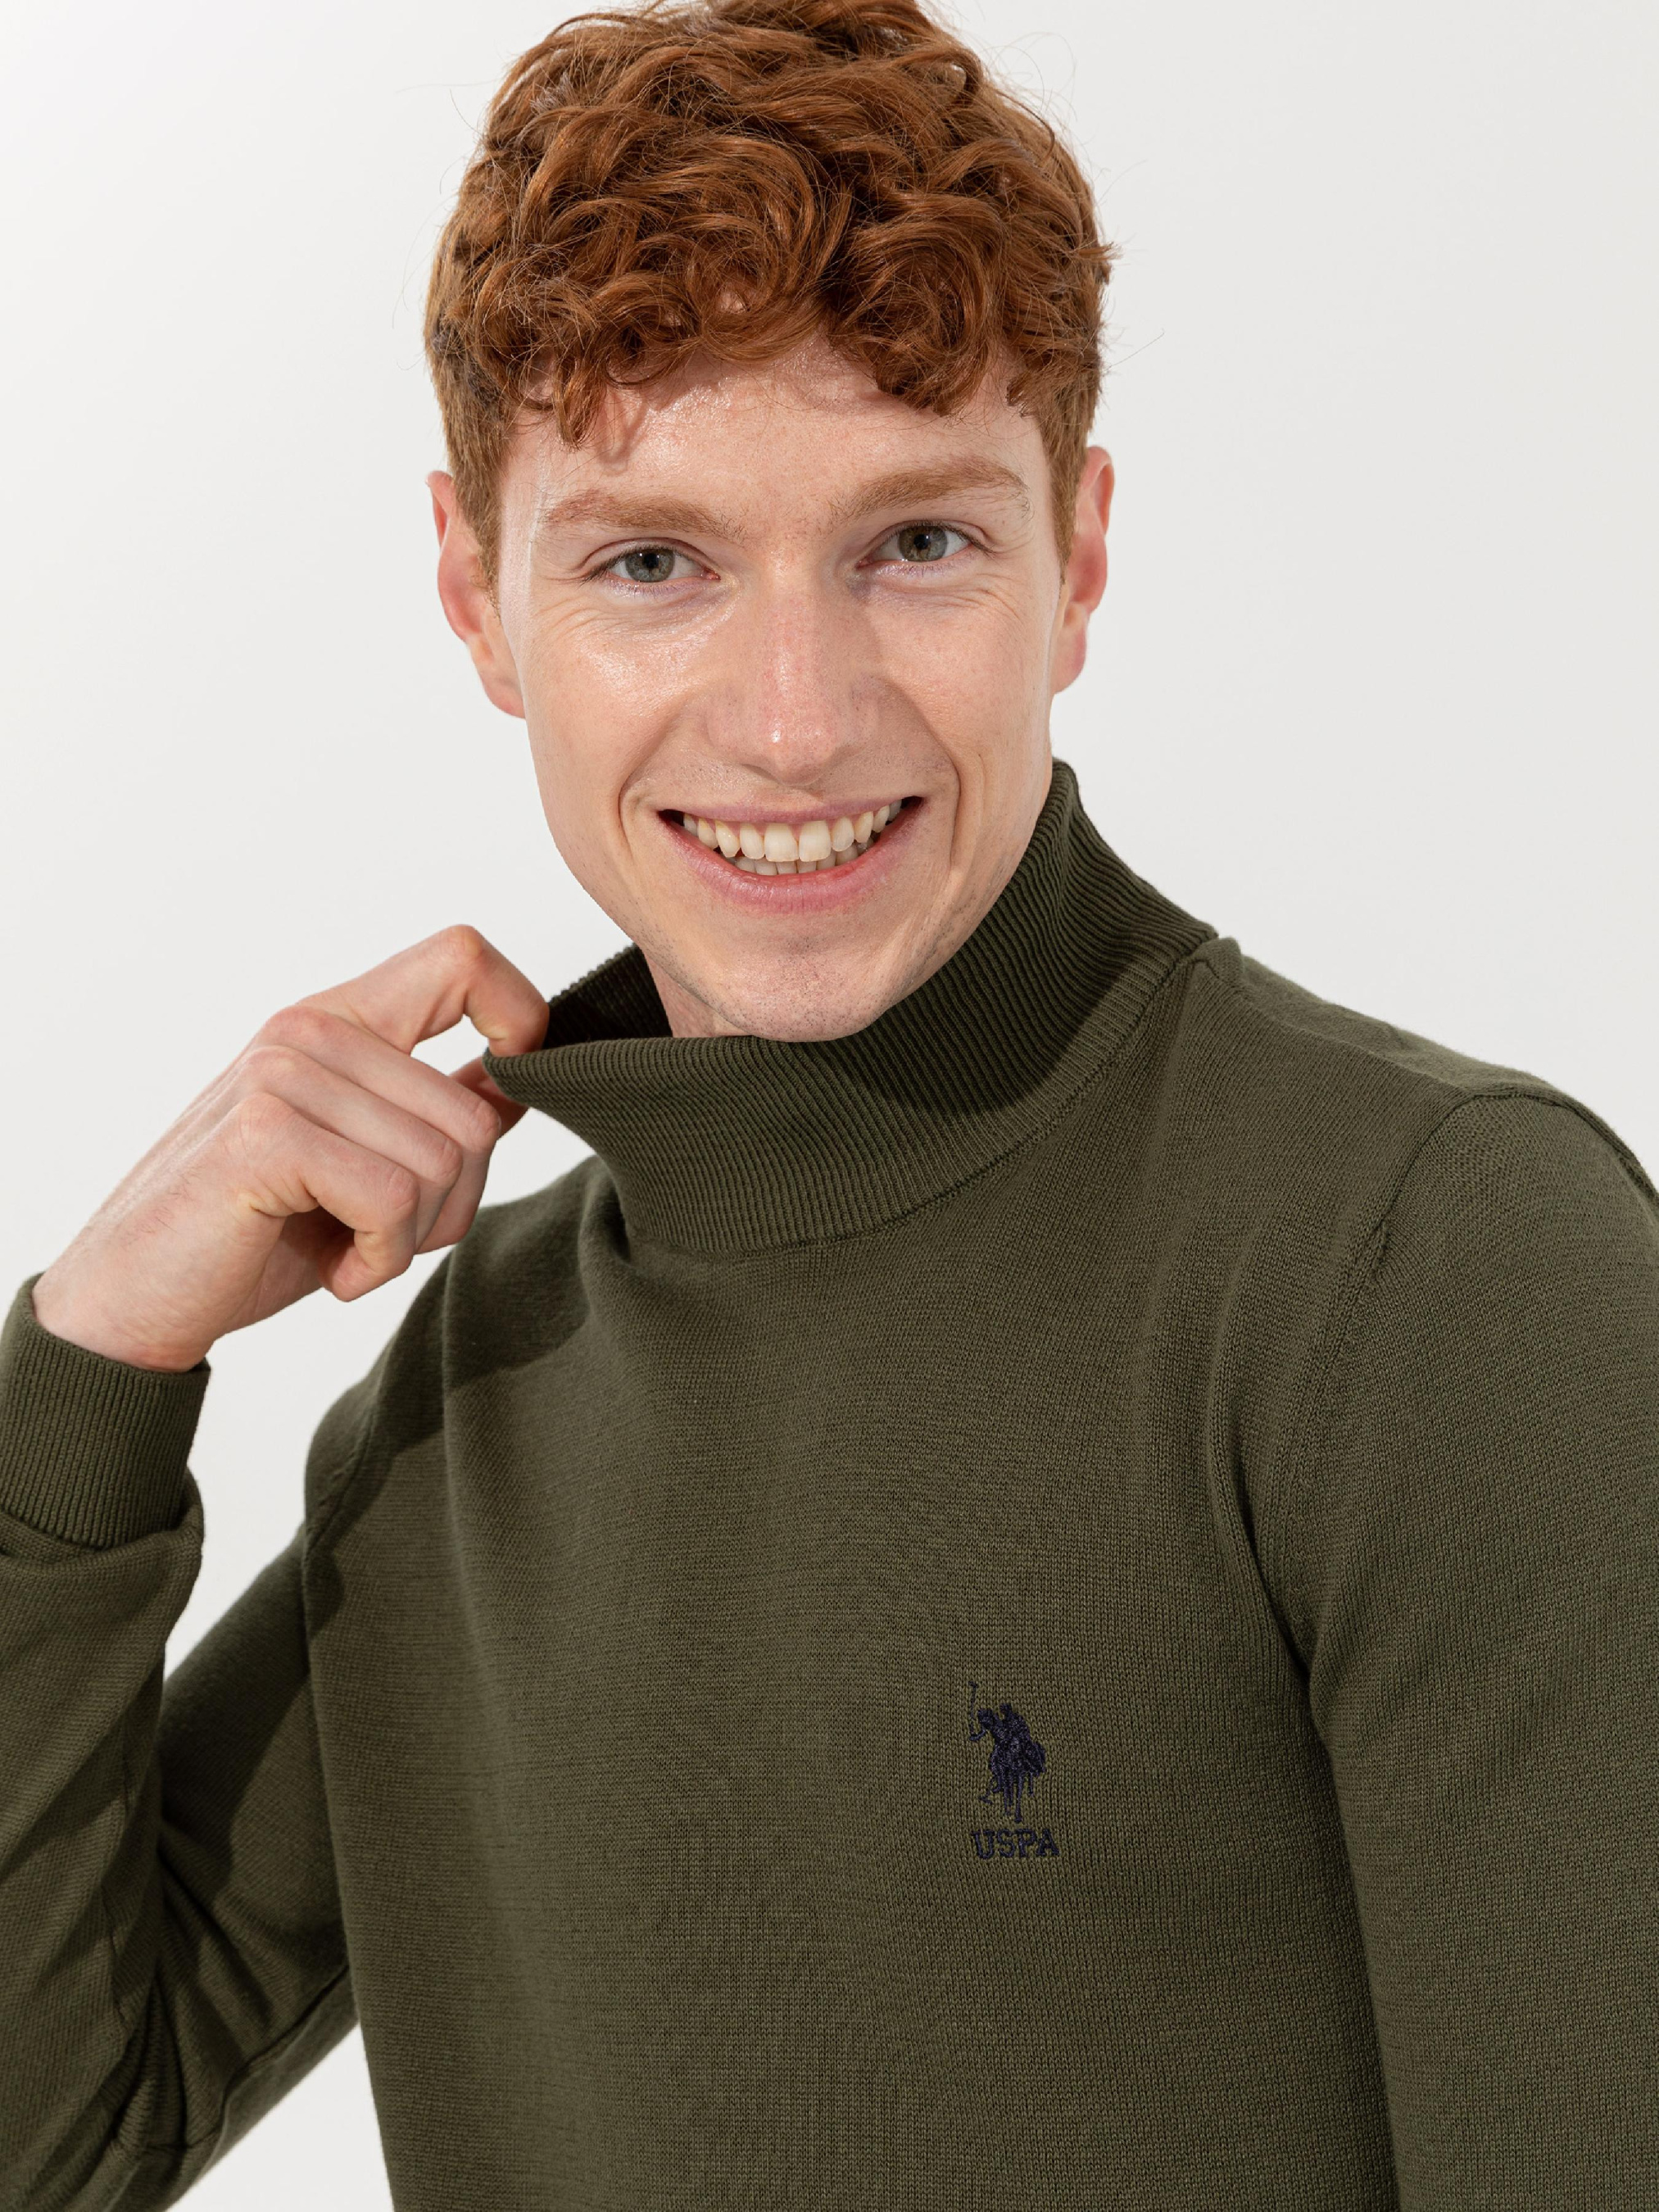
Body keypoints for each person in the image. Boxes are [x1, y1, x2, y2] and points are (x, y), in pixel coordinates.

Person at [3, 0, 1657, 2203]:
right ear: (473, 594)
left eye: (916, 545)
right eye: (651, 562)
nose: (793, 718)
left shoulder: (1426, 1265)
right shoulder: (472, 1391)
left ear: (1076, 557)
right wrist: (87, 1371)